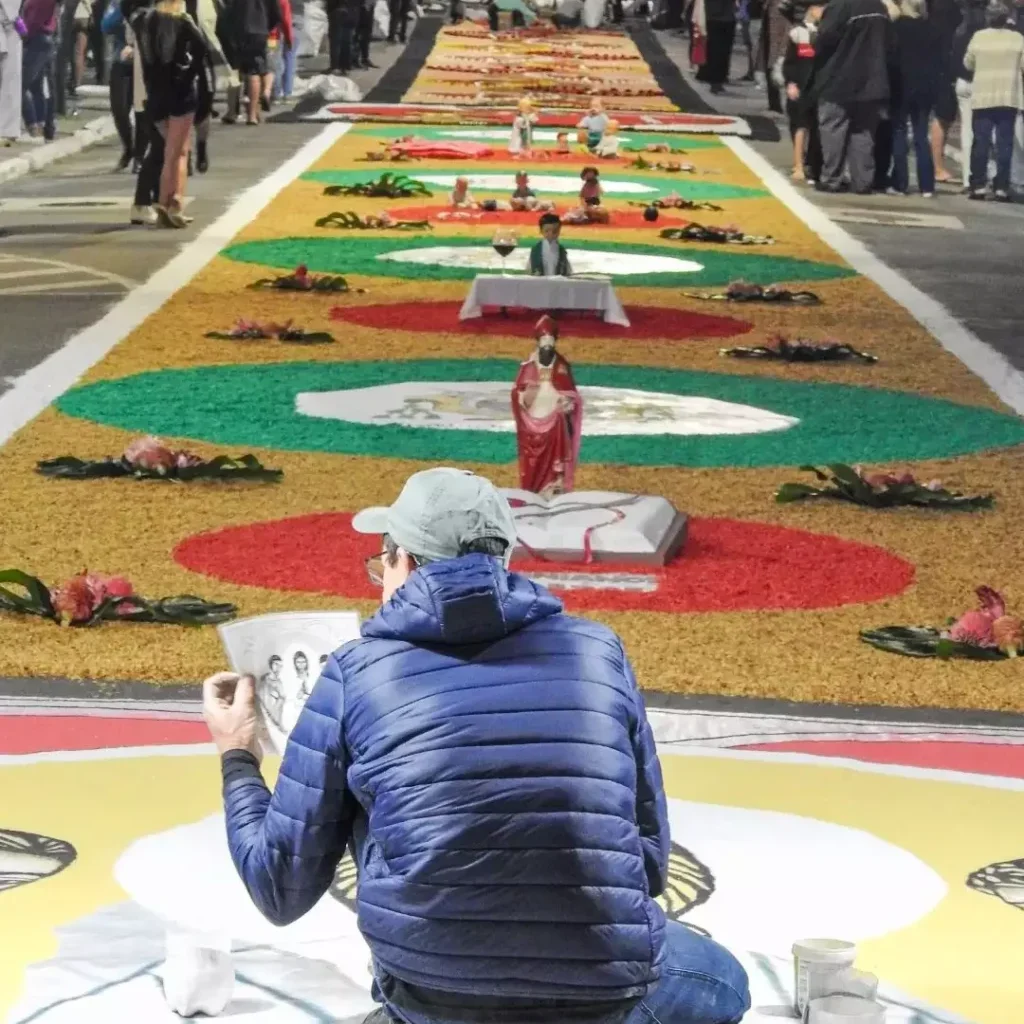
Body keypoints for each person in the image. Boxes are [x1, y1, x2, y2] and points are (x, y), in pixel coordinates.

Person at [202, 464, 752, 1024]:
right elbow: (650, 865)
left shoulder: (356, 672)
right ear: (504, 560)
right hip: (601, 996)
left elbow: (279, 887)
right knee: (722, 979)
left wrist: (237, 755)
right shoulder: (598, 652)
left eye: (381, 563)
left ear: (405, 562)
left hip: (432, 995)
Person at [129, 0, 210, 226]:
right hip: (181, 91)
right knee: (180, 152)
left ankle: (163, 201)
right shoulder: (182, 21)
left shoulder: (141, 21)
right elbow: (202, 47)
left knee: (167, 152)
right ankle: (175, 203)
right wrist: (189, 72)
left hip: (155, 93)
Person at [811, 0, 895, 193]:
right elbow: (891, 44)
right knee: (864, 133)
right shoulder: (879, 8)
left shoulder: (839, 7)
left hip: (838, 80)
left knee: (833, 129)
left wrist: (816, 27)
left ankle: (831, 178)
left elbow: (824, 41)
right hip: (872, 81)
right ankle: (863, 181)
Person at [512, 317, 583, 497]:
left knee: (554, 465)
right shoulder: (528, 367)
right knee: (533, 465)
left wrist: (566, 404)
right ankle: (532, 492)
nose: (547, 347)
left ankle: (553, 491)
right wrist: (524, 395)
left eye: (550, 343)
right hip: (531, 428)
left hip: (555, 427)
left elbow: (571, 394)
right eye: (544, 343)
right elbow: (517, 394)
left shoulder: (562, 367)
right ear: (538, 343)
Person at [963, 0, 1024, 200]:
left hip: (983, 96)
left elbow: (968, 63)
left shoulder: (979, 37)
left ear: (988, 18)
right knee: (1004, 143)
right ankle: (1002, 186)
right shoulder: (1017, 39)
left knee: (981, 141)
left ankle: (978, 184)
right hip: (1008, 96)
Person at [889, 0, 939, 196]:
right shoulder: (932, 30)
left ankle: (900, 183)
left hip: (901, 85)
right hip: (925, 88)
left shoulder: (897, 28)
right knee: (921, 136)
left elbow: (891, 58)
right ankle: (927, 185)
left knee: (899, 132)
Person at [782, 2, 823, 182]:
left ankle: (813, 165)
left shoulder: (826, 33)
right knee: (799, 126)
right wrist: (790, 83)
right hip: (800, 85)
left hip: (818, 87)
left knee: (816, 128)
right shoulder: (798, 33)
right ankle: (798, 164)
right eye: (819, 7)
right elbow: (789, 62)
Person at [102, 0, 144, 171]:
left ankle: (140, 156)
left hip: (144, 61)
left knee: (142, 111)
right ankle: (129, 148)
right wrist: (123, 9)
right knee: (119, 109)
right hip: (121, 60)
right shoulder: (117, 3)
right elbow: (105, 25)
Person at [226, 0, 282, 123]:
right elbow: (277, 13)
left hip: (241, 30)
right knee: (254, 71)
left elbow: (229, 10)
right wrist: (266, 25)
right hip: (260, 30)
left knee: (239, 69)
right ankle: (252, 115)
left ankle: (234, 110)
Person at [952, 0, 988, 186]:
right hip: (982, 83)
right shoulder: (986, 36)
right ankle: (983, 175)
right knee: (986, 132)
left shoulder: (960, 33)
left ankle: (967, 177)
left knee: (967, 131)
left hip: (962, 81)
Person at [928, 0, 962, 183]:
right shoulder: (950, 10)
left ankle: (937, 166)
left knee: (943, 118)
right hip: (946, 68)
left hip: (939, 65)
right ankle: (937, 167)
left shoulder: (936, 9)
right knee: (943, 118)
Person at [20, 0, 60, 140]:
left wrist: (23, 34)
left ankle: (33, 125)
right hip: (42, 40)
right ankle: (44, 125)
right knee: (40, 86)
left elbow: (33, 21)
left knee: (21, 84)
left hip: (36, 40)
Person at [698, 0, 737, 93]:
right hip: (718, 18)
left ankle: (718, 79)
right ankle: (716, 81)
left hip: (722, 18)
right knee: (717, 51)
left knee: (719, 51)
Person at [0, 0, 23, 145]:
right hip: (9, 25)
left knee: (11, 80)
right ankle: (8, 129)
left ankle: (8, 129)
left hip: (10, 28)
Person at [529, 212, 572, 276]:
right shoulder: (536, 250)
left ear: (559, 230)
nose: (551, 234)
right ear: (541, 231)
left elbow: (567, 269)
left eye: (555, 231)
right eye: (547, 231)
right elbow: (530, 268)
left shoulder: (561, 250)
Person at [354, 0, 374, 67]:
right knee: (359, 33)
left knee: (367, 33)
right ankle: (355, 59)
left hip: (370, 5)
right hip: (362, 5)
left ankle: (365, 58)